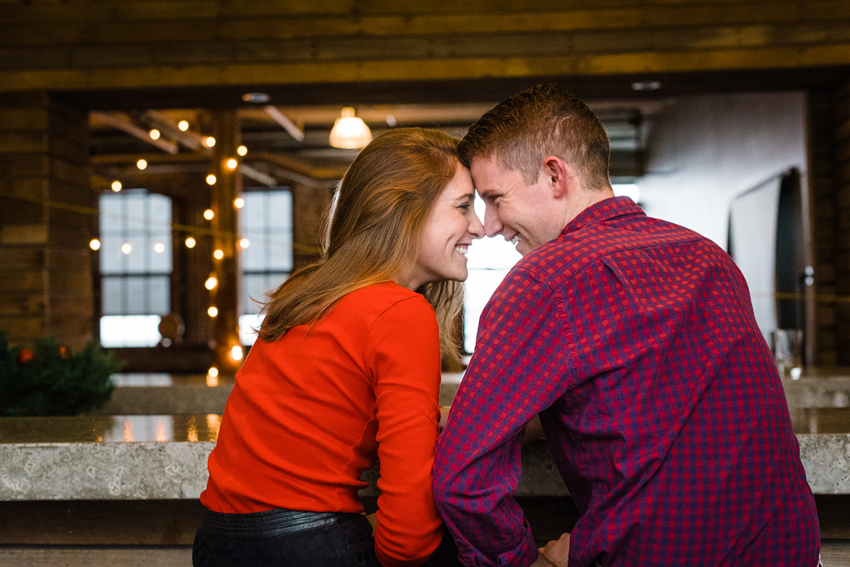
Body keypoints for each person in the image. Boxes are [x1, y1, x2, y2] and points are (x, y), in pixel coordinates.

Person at [432, 84, 820, 567]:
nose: (488, 225)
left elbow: (461, 480)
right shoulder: (708, 258)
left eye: (494, 198)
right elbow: (653, 403)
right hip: (787, 550)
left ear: (555, 175)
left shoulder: (544, 281)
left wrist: (521, 561)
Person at [194, 128, 484, 567]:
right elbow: (409, 533)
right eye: (464, 206)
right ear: (404, 211)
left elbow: (320, 416)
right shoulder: (401, 312)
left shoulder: (305, 293)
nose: (478, 227)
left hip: (218, 541)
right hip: (307, 545)